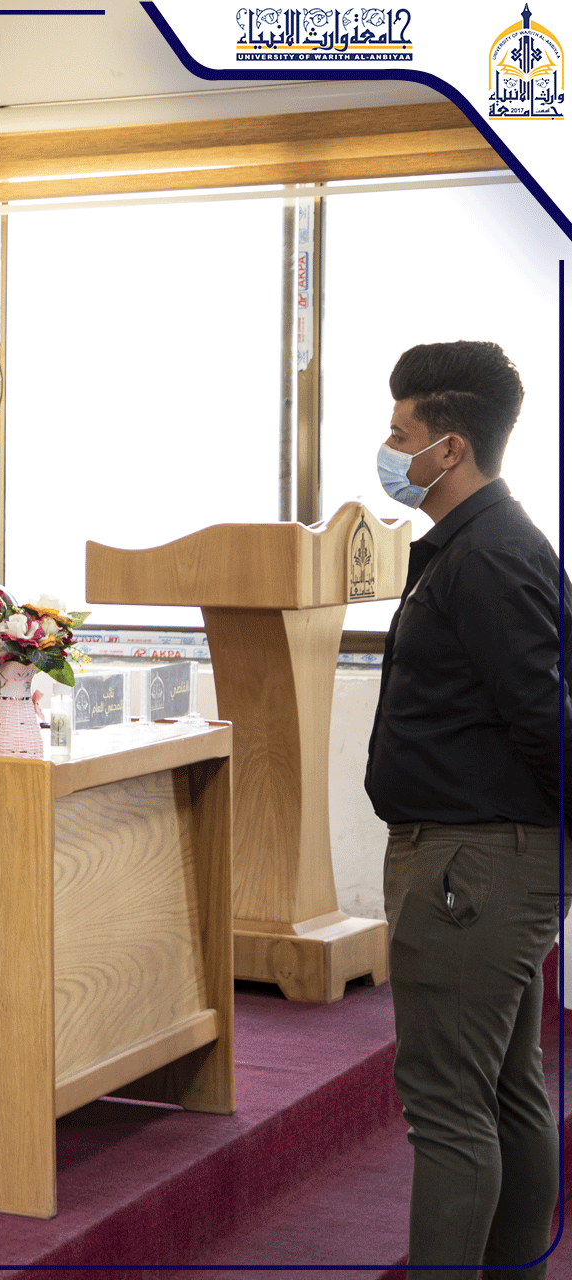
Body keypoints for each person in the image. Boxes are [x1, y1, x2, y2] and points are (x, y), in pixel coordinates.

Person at [363, 341, 568, 1277]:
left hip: (472, 864)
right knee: (507, 1089)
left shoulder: (486, 555)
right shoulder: (487, 541)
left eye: (399, 433)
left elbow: (545, 718)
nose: (389, 449)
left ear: (449, 448)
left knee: (447, 1105)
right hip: (489, 858)